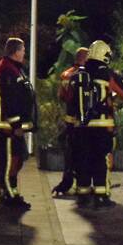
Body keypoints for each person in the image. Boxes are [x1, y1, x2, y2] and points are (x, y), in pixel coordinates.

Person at [65, 40, 123, 207]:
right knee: (101, 160)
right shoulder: (107, 73)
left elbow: (69, 100)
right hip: (102, 125)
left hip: (81, 126)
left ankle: (83, 195)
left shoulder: (77, 73)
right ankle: (101, 196)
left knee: (83, 159)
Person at [0, 37, 36, 209]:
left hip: (12, 126)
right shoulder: (7, 70)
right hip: (9, 127)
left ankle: (8, 190)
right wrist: (16, 125)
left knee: (16, 159)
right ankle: (10, 195)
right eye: (23, 50)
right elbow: (10, 100)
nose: (24, 52)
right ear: (16, 52)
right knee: (11, 160)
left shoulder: (12, 68)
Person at [52, 46, 89, 197]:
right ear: (85, 58)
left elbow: (61, 96)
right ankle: (82, 185)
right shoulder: (86, 75)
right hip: (83, 122)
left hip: (69, 120)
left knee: (70, 154)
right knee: (82, 154)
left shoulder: (66, 75)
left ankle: (67, 181)